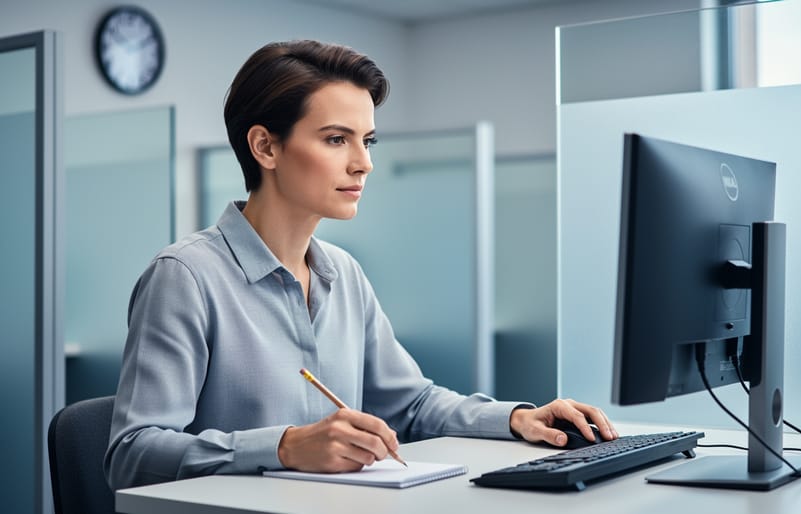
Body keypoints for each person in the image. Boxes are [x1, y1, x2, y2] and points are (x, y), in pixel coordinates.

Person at [104, 39, 618, 490]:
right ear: (265, 146)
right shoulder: (186, 276)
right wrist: (281, 447)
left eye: (366, 140)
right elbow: (132, 453)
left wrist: (519, 419)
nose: (363, 162)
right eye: (336, 139)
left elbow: (411, 406)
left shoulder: (343, 273)